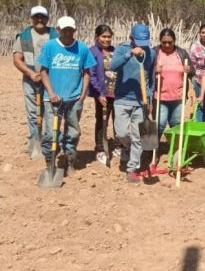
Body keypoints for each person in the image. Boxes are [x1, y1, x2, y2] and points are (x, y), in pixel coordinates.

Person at [38, 16, 96, 173]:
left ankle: (70, 158)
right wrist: (50, 93)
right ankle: (50, 161)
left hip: (74, 98)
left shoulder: (82, 49)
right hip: (52, 99)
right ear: (58, 30)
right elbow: (43, 71)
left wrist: (82, 95)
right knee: (50, 132)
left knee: (72, 131)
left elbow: (86, 73)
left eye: (71, 30)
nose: (68, 33)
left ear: (75, 30)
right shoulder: (50, 46)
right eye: (65, 30)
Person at [111, 23, 156, 184]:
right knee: (122, 133)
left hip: (140, 101)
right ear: (131, 38)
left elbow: (151, 77)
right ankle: (127, 148)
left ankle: (132, 168)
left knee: (138, 136)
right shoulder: (122, 49)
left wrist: (149, 98)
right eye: (138, 42)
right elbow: (113, 66)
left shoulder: (151, 52)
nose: (142, 47)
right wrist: (129, 54)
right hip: (122, 98)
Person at [12, 6, 58, 158]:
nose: (39, 20)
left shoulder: (55, 35)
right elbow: (17, 59)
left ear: (47, 18)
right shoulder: (24, 36)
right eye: (36, 17)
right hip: (30, 81)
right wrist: (31, 73)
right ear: (31, 18)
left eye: (42, 17)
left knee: (50, 112)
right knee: (33, 113)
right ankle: (35, 140)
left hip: (51, 80)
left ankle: (49, 142)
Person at [88, 24, 122, 164]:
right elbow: (91, 74)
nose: (106, 39)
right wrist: (99, 93)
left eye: (109, 37)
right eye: (103, 36)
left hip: (118, 92)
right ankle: (100, 148)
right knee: (102, 121)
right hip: (102, 94)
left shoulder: (115, 51)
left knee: (118, 120)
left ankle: (119, 145)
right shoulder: (93, 52)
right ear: (97, 37)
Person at [154, 28, 194, 138]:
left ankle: (175, 148)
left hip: (178, 97)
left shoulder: (181, 53)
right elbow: (145, 71)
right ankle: (152, 150)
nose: (167, 45)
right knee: (159, 124)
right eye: (164, 42)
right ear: (160, 41)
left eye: (170, 42)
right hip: (159, 96)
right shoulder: (155, 52)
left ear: (174, 41)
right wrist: (154, 69)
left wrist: (188, 70)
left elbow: (192, 71)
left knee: (176, 124)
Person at [189, 24, 205, 122]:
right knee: (201, 105)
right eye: (203, 32)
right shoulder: (195, 46)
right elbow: (192, 64)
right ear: (199, 34)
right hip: (199, 81)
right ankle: (200, 128)